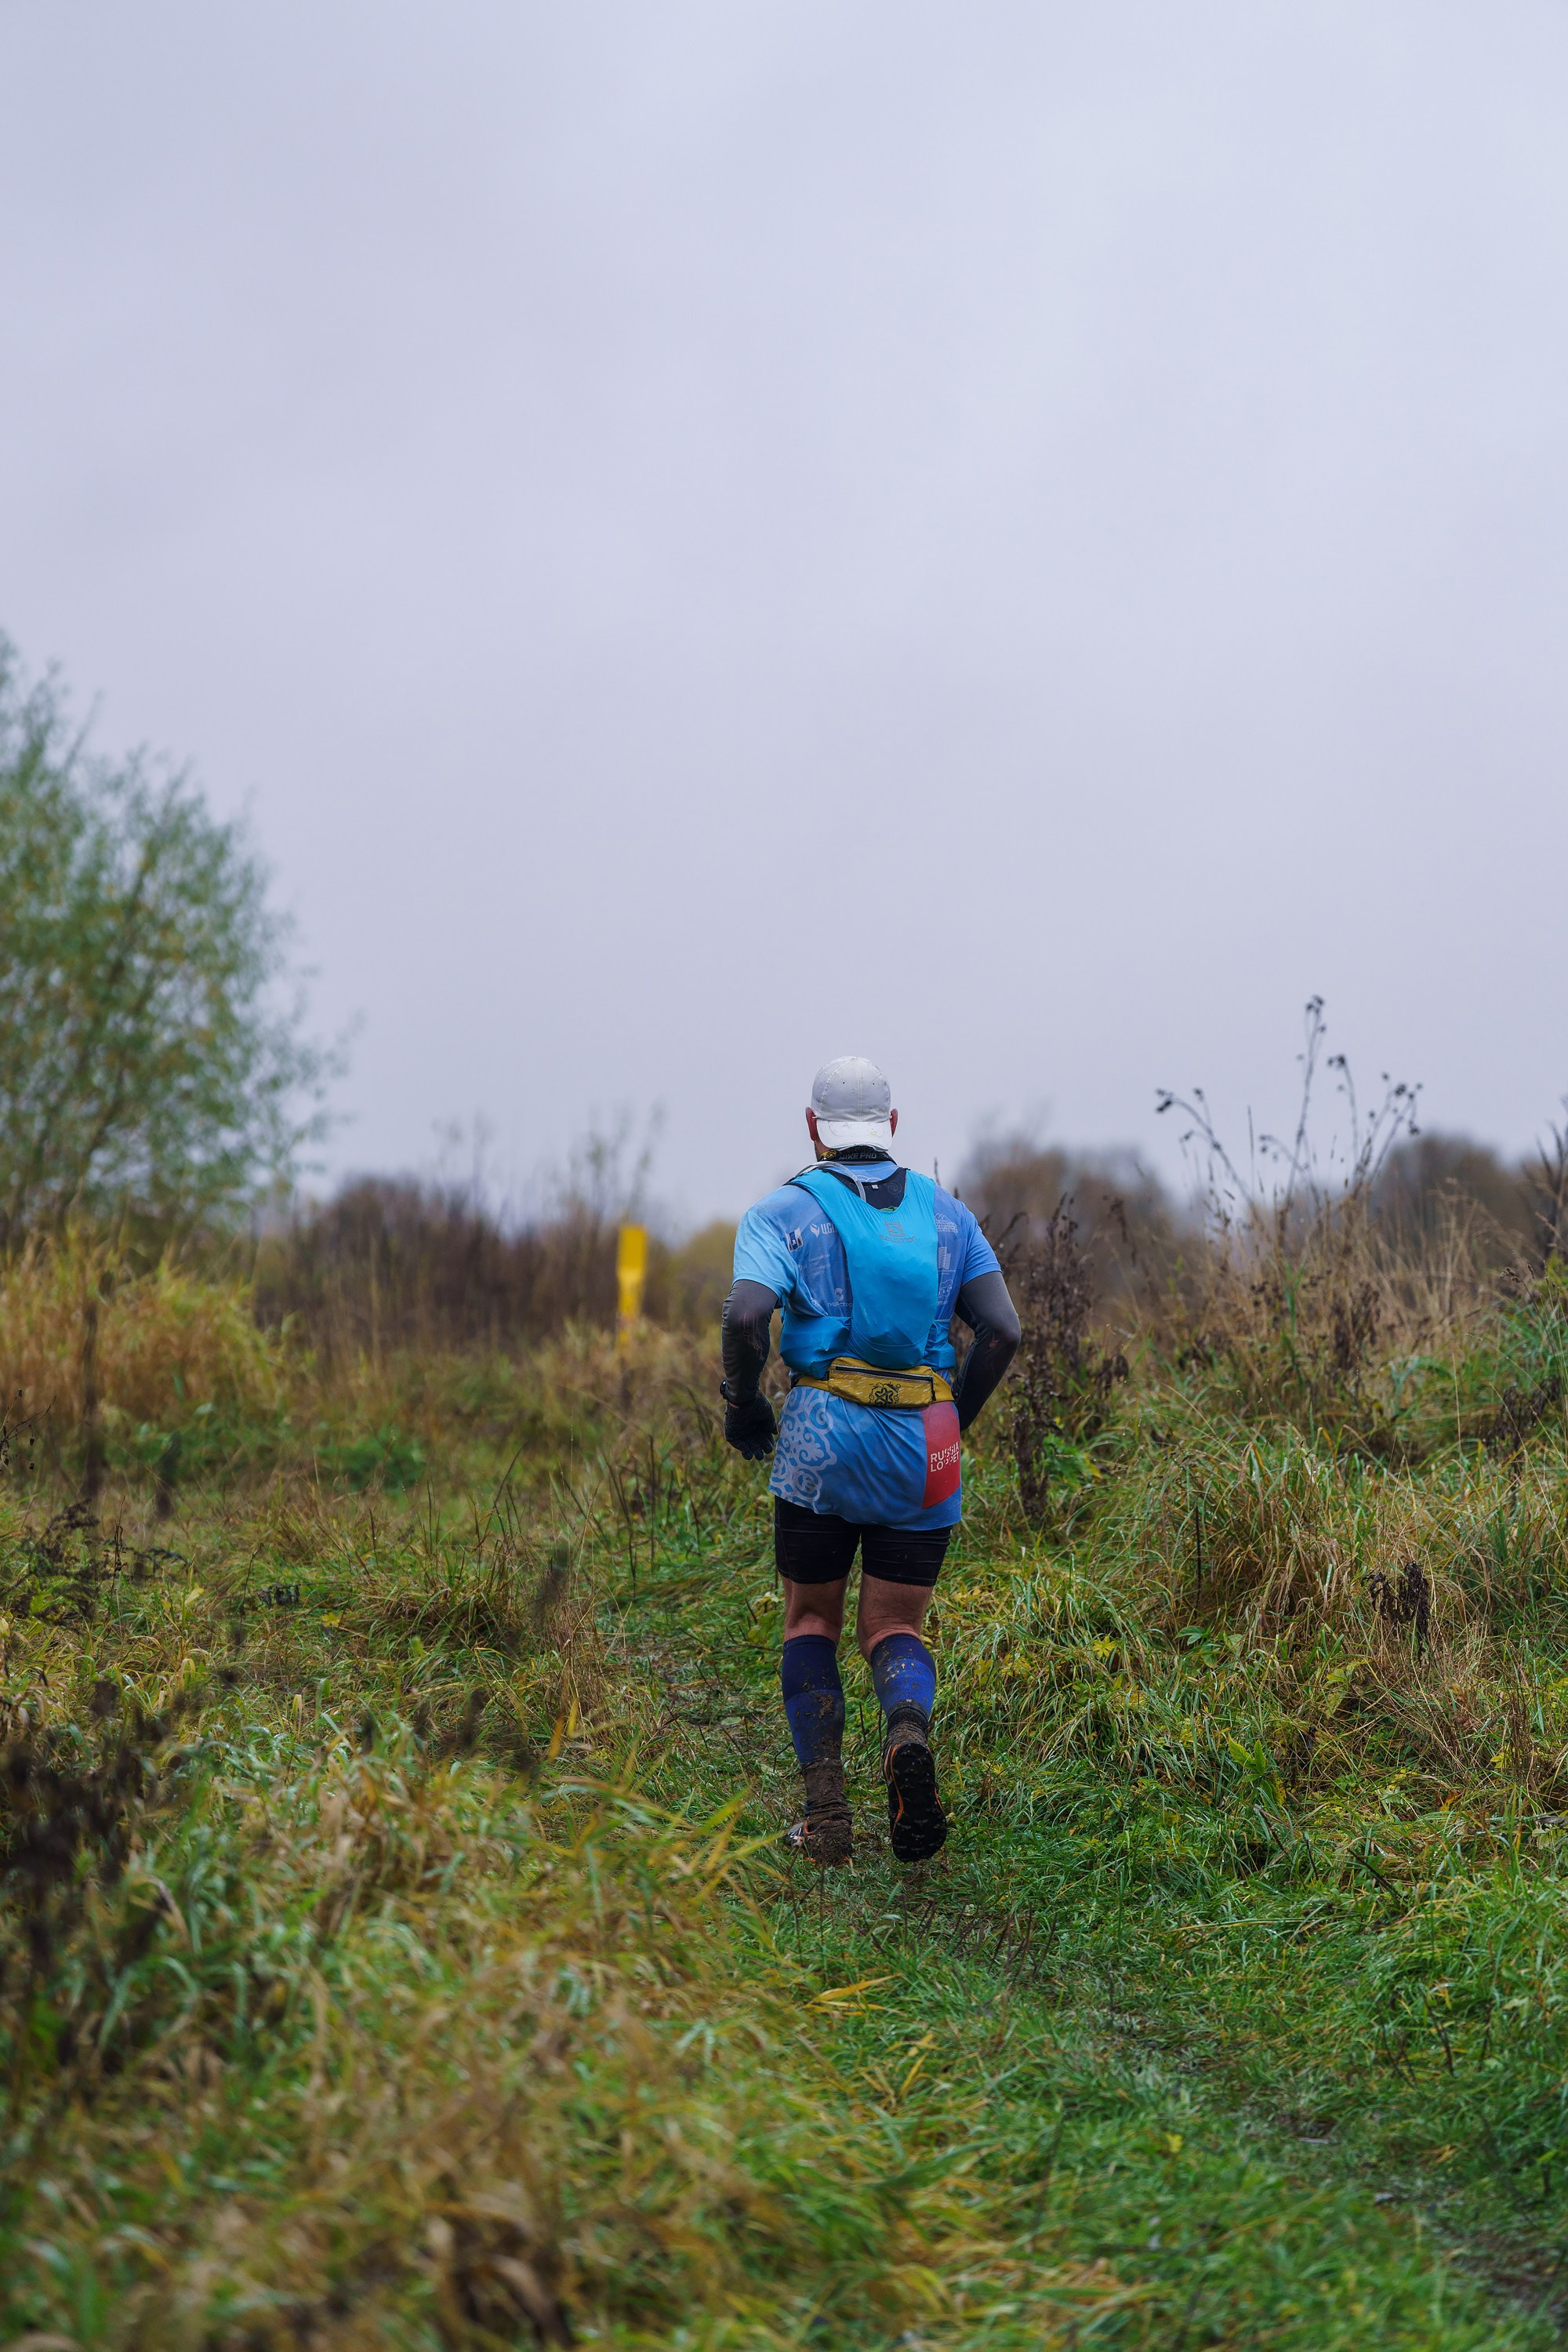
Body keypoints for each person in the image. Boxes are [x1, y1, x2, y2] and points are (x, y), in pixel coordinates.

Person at [720, 1056, 1021, 1865]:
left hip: (822, 1438)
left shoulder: (782, 1210)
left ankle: (826, 1817)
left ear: (813, 1127)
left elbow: (747, 1313)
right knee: (895, 1625)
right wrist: (948, 1425)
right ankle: (906, 1735)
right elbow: (1004, 1331)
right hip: (924, 1444)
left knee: (810, 1618)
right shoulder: (949, 1217)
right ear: (890, 1126)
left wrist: (742, 1403)